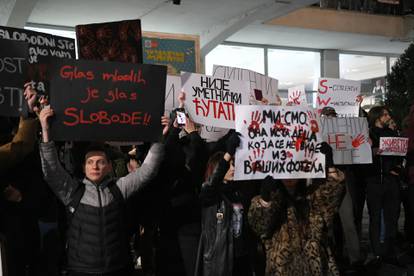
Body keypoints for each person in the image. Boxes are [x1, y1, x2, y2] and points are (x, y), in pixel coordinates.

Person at [38, 107, 166, 276]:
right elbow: (52, 171)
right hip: (81, 270)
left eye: (100, 162)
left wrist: (160, 137)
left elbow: (148, 170)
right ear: (84, 168)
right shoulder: (72, 191)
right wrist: (45, 130)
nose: (95, 166)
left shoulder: (119, 188)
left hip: (117, 268)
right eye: (90, 162)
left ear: (109, 166)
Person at [248, 142, 345, 275]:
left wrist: (330, 166)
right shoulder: (269, 201)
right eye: (285, 168)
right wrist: (265, 198)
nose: (289, 174)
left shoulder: (312, 197)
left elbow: (331, 197)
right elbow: (260, 226)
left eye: (293, 167)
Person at [195, 132, 253, 276]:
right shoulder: (210, 195)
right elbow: (211, 185)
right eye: (229, 165)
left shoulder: (239, 192)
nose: (233, 168)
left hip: (242, 259)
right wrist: (227, 155)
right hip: (219, 261)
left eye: (233, 164)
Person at [366, 106, 402, 264]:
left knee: (392, 218)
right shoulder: (368, 134)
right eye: (385, 114)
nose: (388, 116)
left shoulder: (392, 133)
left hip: (390, 181)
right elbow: (361, 160)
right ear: (377, 118)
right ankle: (377, 253)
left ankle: (389, 251)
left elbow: (400, 156)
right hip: (374, 181)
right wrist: (371, 151)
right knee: (375, 219)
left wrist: (396, 169)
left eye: (388, 113)